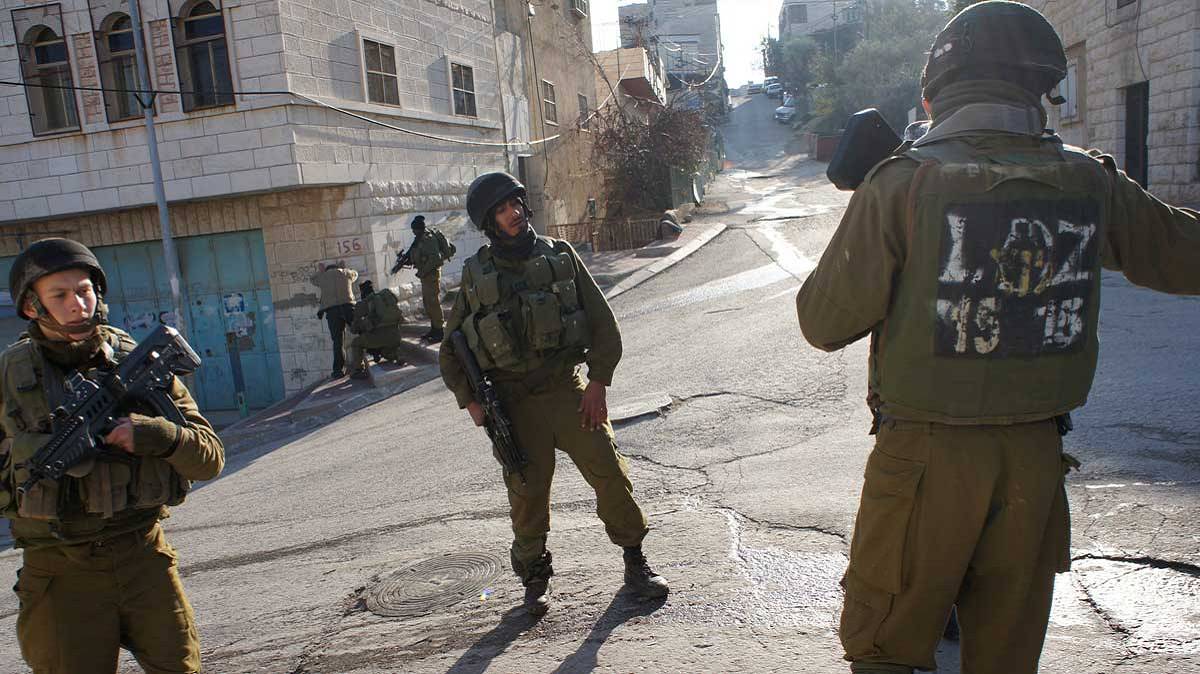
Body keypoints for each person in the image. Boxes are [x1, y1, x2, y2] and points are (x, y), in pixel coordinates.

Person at [794, 3, 1200, 673]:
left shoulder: (902, 181)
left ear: (934, 92)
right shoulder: (1090, 179)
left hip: (922, 460)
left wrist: (871, 199)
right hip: (1037, 461)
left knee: (884, 649)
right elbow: (1183, 255)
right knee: (1008, 658)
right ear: (1044, 88)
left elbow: (823, 321)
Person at [439, 172, 668, 616]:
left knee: (608, 471)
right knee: (526, 494)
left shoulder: (559, 255)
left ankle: (635, 562)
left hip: (566, 387)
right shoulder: (476, 275)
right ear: (490, 222)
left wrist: (598, 381)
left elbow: (603, 323)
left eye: (516, 204)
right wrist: (472, 403)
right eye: (503, 210)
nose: (514, 214)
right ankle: (534, 577)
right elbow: (452, 349)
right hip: (512, 401)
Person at [0, 238, 225, 673]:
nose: (77, 305)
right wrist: (32, 452)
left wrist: (158, 435)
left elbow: (210, 458)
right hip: (61, 572)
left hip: (143, 557)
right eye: (60, 296)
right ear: (32, 307)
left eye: (84, 291)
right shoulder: (7, 380)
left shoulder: (138, 361)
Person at [407, 215, 456, 344]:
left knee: (433, 302)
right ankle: (434, 329)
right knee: (427, 302)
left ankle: (439, 331)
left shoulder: (428, 239)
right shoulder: (419, 239)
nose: (413, 232)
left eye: (414, 230)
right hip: (426, 276)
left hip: (431, 275)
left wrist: (422, 272)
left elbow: (435, 258)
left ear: (418, 229)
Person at [347, 279, 406, 379]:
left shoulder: (364, 304)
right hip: (396, 336)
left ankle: (357, 370)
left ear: (362, 293)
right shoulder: (384, 299)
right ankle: (396, 354)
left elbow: (354, 329)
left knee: (356, 343)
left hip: (377, 338)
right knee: (385, 352)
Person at [311, 261, 358, 378]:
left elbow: (312, 279)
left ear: (327, 269)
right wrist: (344, 268)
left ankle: (338, 371)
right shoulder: (346, 273)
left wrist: (320, 271)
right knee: (359, 332)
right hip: (348, 307)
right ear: (338, 267)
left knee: (338, 341)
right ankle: (359, 365)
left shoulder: (322, 277)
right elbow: (355, 274)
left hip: (332, 311)